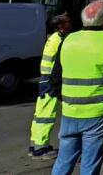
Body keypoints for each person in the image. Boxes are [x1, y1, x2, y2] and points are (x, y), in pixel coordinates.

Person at [49, 0, 103, 175]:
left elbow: (55, 77)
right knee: (90, 165)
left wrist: (66, 99)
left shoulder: (68, 40)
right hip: (98, 114)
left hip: (70, 111)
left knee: (63, 160)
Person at [29, 13, 72, 158]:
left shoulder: (53, 38)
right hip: (50, 81)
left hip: (45, 79)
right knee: (46, 114)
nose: (70, 24)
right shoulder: (59, 40)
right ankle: (41, 148)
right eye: (67, 22)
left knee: (40, 113)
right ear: (60, 26)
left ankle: (35, 144)